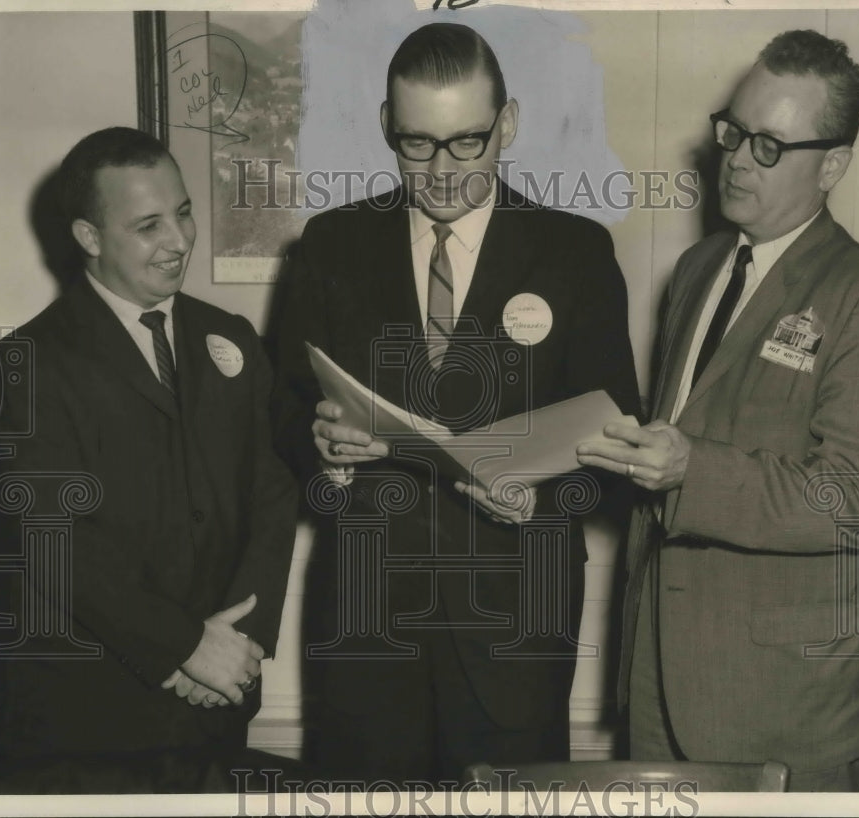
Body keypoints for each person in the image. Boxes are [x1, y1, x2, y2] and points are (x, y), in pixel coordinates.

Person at [271, 22, 640, 785]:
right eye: (416, 144)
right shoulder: (331, 245)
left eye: (467, 142)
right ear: (385, 128)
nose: (441, 172)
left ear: (508, 124)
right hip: (365, 630)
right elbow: (280, 412)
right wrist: (323, 448)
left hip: (514, 631)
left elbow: (615, 448)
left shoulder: (574, 253)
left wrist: (536, 498)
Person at [577, 30, 859, 791]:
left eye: (769, 146)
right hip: (659, 680)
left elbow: (856, 499)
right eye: (733, 131)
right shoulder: (699, 269)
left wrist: (692, 471)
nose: (735, 158)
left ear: (832, 165)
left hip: (784, 711)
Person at [0, 127, 299, 793]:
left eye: (182, 213)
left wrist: (243, 645)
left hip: (216, 717)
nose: (179, 241)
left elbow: (272, 495)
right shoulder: (28, 363)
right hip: (84, 733)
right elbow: (51, 542)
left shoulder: (229, 338)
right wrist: (185, 647)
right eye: (149, 225)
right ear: (89, 238)